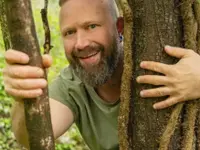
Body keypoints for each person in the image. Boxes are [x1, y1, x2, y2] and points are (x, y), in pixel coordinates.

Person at [3, 0, 200, 149]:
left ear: (120, 27)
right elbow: (31, 137)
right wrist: (24, 99)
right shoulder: (71, 84)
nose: (81, 43)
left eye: (92, 26)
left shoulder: (155, 58)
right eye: (70, 32)